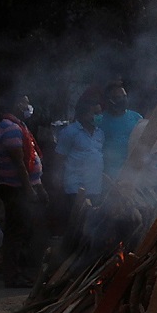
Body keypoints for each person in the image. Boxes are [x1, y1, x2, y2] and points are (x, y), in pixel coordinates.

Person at [0, 91, 44, 287]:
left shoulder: (19, 127)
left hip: (22, 187)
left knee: (23, 230)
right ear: (15, 104)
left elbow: (31, 162)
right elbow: (20, 163)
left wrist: (39, 186)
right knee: (16, 233)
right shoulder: (11, 128)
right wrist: (29, 189)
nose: (28, 107)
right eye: (24, 103)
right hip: (16, 189)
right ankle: (13, 276)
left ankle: (19, 272)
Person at [52, 90, 105, 243]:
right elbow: (59, 160)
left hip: (95, 188)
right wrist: (58, 185)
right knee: (75, 226)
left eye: (100, 112)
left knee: (90, 229)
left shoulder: (100, 133)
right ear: (83, 115)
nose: (98, 116)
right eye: (95, 113)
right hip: (75, 189)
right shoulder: (70, 132)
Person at [97, 82, 143, 192]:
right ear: (109, 100)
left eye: (124, 96)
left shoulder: (136, 118)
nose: (122, 100)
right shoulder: (99, 121)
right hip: (109, 176)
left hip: (133, 174)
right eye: (118, 97)